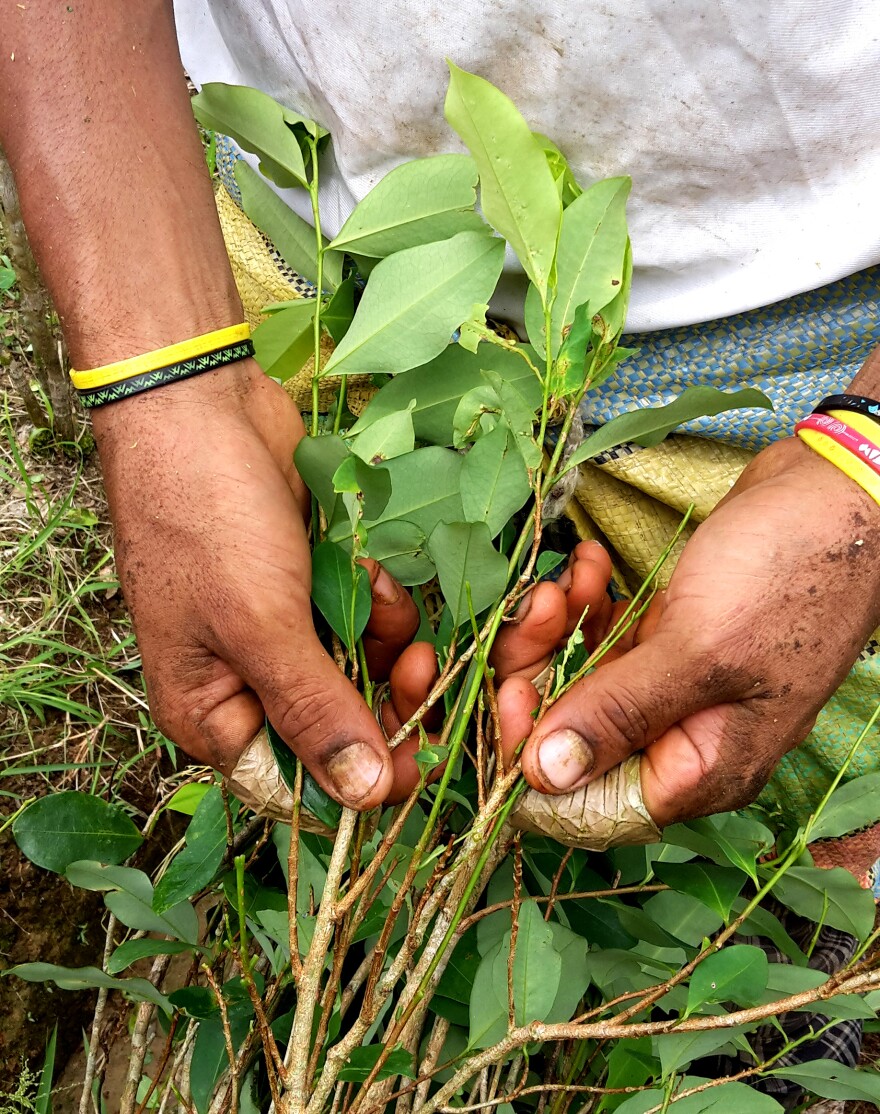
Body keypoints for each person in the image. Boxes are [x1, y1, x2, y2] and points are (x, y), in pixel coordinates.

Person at [1, 0, 879, 841]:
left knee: (814, 799)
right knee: (358, 688)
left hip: (814, 350)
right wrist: (168, 389)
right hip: (280, 263)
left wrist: (864, 455)